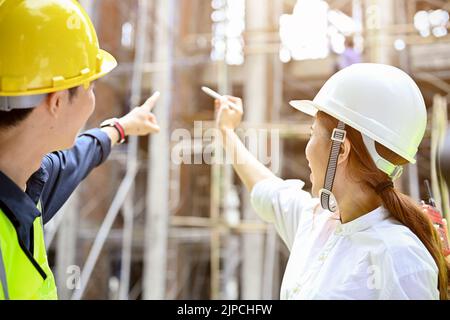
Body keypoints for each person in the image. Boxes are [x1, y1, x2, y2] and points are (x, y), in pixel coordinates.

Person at [212, 63, 449, 300]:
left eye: (312, 133)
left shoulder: (400, 257)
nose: (306, 150)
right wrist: (226, 131)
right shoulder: (316, 223)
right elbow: (267, 189)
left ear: (341, 149)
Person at [0, 0, 160, 299]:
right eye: (89, 86)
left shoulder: (26, 179)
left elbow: (74, 159)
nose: (92, 98)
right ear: (57, 102)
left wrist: (121, 127)